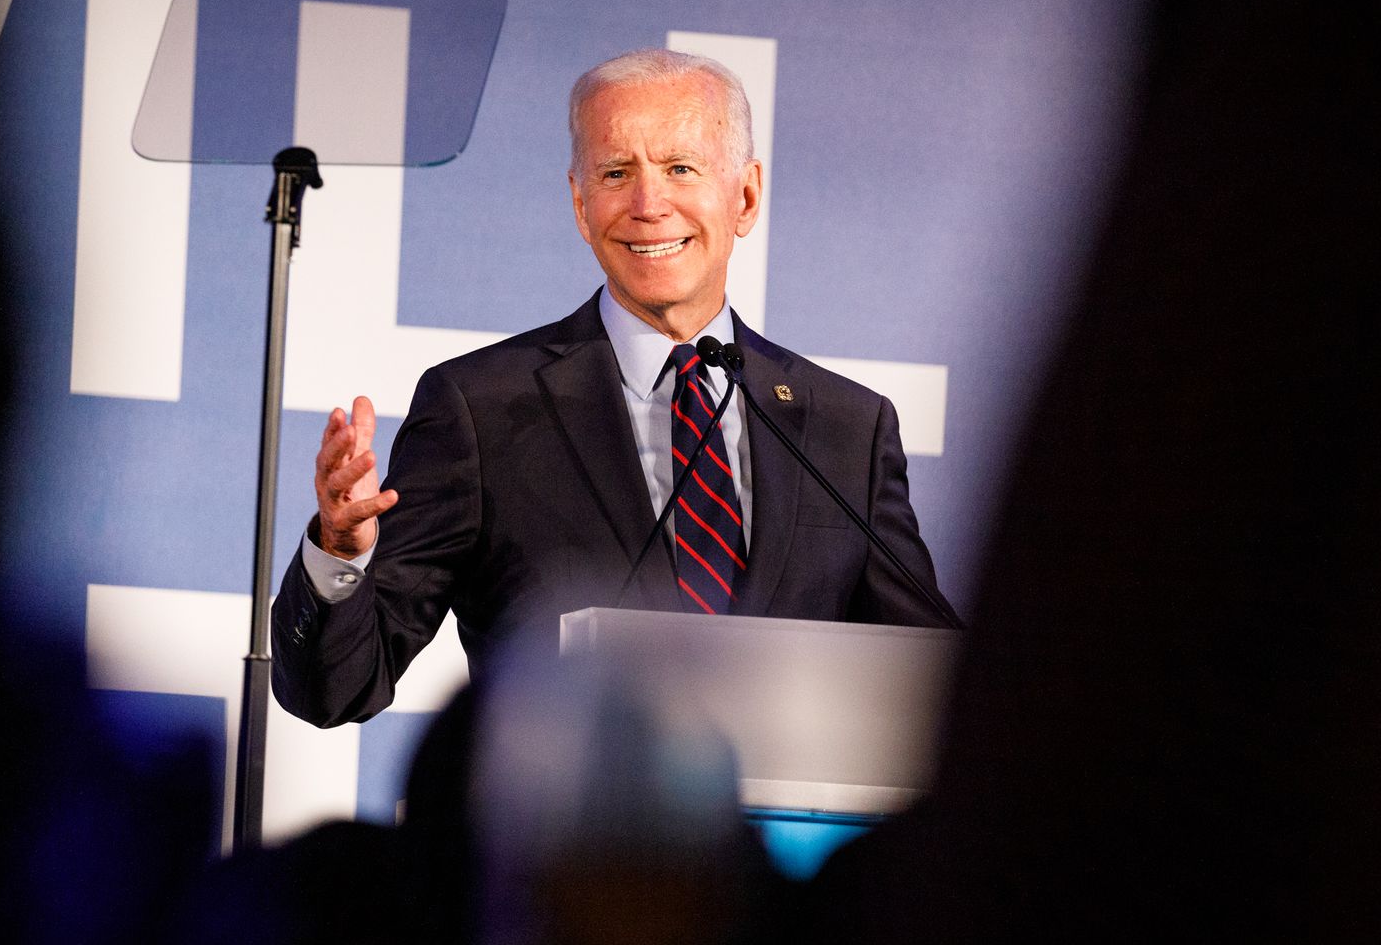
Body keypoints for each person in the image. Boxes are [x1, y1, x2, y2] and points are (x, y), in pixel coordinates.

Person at [272, 49, 958, 727]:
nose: (647, 204)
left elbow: (931, 683)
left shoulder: (846, 428)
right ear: (580, 201)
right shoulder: (480, 411)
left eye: (680, 168)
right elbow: (338, 688)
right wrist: (340, 555)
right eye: (616, 172)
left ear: (744, 196)